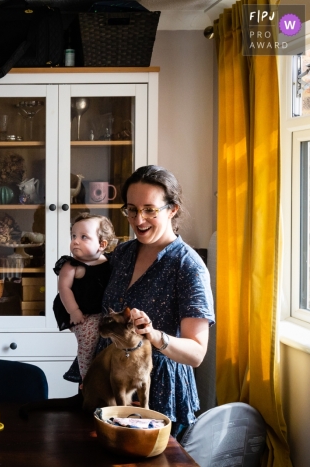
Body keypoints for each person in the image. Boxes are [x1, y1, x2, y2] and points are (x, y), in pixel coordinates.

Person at [100, 165, 215, 437]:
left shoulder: (188, 266)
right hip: (111, 384)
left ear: (172, 209)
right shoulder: (123, 254)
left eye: (150, 210)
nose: (138, 219)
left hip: (156, 391)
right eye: (131, 209)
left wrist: (153, 335)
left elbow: (197, 353)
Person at [53, 213, 115, 384]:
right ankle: (86, 378)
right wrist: (74, 311)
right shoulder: (71, 265)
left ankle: (106, 374)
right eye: (73, 236)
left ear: (102, 244)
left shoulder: (110, 262)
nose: (75, 241)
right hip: (79, 312)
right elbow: (63, 288)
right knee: (88, 340)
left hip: (100, 310)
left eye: (83, 237)